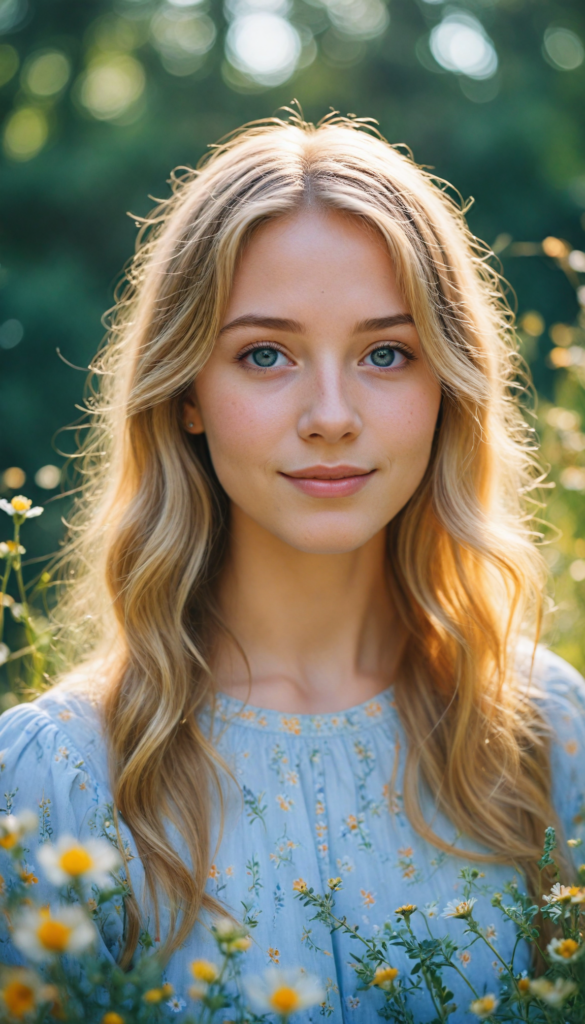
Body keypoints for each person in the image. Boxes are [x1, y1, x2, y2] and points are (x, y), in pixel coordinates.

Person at [1, 112, 585, 1021]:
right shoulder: (58, 780)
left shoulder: (548, 735)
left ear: (447, 389)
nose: (329, 414)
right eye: (264, 354)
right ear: (187, 391)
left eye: (385, 353)